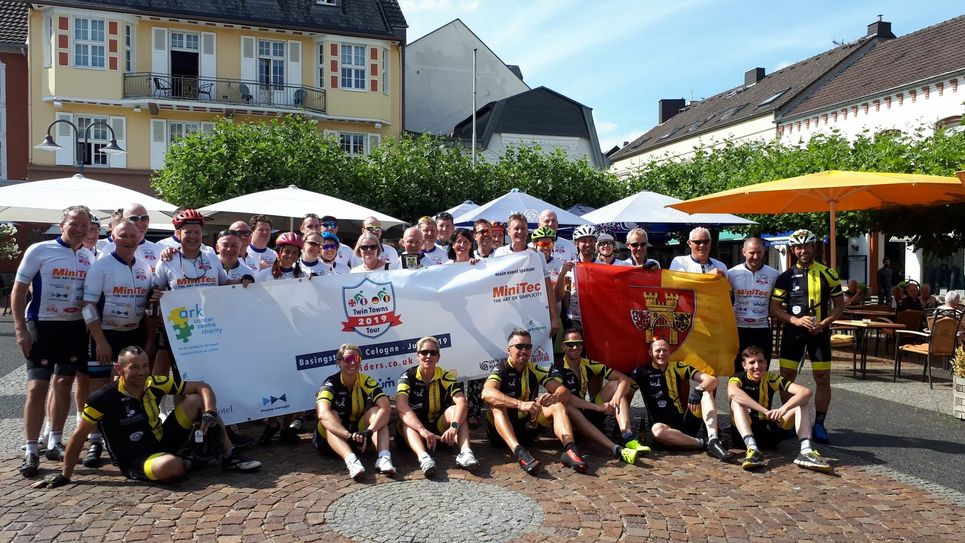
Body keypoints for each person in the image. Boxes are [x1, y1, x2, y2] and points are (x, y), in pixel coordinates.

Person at [32, 346, 260, 488]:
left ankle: (230, 456)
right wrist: (65, 475)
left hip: (163, 441)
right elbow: (79, 435)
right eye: (134, 367)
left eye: (145, 366)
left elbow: (203, 386)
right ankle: (191, 460)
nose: (142, 372)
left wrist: (209, 411)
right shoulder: (103, 397)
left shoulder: (154, 383)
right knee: (172, 467)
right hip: (136, 458)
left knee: (195, 400)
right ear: (120, 370)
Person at [13, 206, 95, 477]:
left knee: (64, 384)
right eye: (75, 223)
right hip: (42, 325)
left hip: (73, 328)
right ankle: (30, 449)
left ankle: (54, 441)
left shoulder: (88, 256)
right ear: (62, 224)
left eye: (85, 225)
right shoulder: (39, 250)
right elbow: (19, 289)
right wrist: (20, 328)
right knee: (37, 388)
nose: (80, 229)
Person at [77, 220, 155, 468]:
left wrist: (150, 338)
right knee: (99, 390)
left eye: (134, 235)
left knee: (132, 385)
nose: (129, 240)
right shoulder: (102, 266)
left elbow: (147, 306)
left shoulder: (144, 266)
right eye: (123, 235)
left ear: (140, 237)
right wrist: (100, 340)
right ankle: (94, 440)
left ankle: (129, 433)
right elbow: (87, 306)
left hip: (132, 334)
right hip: (104, 333)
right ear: (113, 236)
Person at [769, 229, 843, 444]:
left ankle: (819, 423)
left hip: (819, 334)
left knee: (822, 378)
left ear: (814, 247)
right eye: (798, 247)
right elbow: (775, 308)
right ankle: (790, 420)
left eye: (807, 246)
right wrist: (795, 320)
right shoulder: (786, 276)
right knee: (786, 377)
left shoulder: (829, 274)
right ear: (793, 250)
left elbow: (839, 306)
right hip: (793, 333)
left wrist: (824, 323)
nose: (803, 250)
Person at [481, 328, 588, 475]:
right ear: (509, 350)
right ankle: (520, 453)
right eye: (519, 346)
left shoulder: (534, 369)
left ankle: (570, 450)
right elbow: (486, 393)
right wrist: (520, 404)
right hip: (500, 435)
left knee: (558, 405)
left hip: (526, 428)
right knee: (496, 405)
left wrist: (554, 397)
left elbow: (564, 391)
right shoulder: (502, 368)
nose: (524, 350)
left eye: (528, 347)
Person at [728, 345, 832, 473]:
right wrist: (764, 411)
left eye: (760, 361)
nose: (757, 366)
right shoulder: (738, 378)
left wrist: (783, 409)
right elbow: (733, 392)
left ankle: (806, 451)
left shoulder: (771, 378)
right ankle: (752, 450)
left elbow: (805, 392)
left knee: (802, 402)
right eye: (752, 363)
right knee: (736, 402)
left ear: (766, 363)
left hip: (769, 432)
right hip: (742, 436)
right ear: (744, 365)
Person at [628, 338, 732, 462]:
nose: (661, 354)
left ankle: (713, 439)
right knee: (657, 430)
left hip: (684, 421)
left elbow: (713, 380)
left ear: (670, 352)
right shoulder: (640, 372)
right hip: (664, 429)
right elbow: (626, 395)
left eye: (665, 350)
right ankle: (704, 443)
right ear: (650, 352)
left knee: (707, 393)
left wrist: (699, 389)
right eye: (658, 350)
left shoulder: (678, 366)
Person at [153, 209, 227, 378]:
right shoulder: (166, 260)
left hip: (208, 325)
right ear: (178, 233)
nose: (193, 236)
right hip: (179, 327)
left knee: (204, 371)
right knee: (177, 374)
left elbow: (225, 285)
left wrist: (245, 281)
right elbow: (156, 290)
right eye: (188, 232)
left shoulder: (211, 257)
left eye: (197, 232)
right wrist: (156, 296)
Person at [554, 329, 643, 464]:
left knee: (615, 386)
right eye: (570, 344)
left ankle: (627, 435)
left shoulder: (588, 363)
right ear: (563, 346)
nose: (575, 347)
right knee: (568, 406)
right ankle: (615, 449)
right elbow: (565, 398)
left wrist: (615, 399)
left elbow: (624, 379)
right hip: (570, 421)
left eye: (578, 343)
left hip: (587, 412)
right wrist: (597, 407)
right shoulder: (557, 368)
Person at [396, 336, 479, 477]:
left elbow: (461, 402)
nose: (428, 356)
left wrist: (454, 426)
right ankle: (424, 458)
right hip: (417, 432)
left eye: (433, 353)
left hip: (439, 430)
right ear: (417, 356)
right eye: (424, 352)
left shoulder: (445, 376)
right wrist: (422, 430)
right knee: (405, 420)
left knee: (458, 411)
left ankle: (465, 453)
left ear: (438, 357)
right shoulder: (407, 376)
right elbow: (401, 405)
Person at [313, 344, 395, 480]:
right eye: (348, 359)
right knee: (331, 415)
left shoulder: (366, 381)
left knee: (377, 411)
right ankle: (351, 461)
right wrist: (348, 436)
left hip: (359, 437)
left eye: (357, 358)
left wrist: (369, 431)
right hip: (330, 442)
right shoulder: (330, 383)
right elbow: (322, 413)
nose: (353, 362)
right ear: (339, 362)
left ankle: (384, 458)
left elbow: (386, 407)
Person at [493, 213, 561, 338]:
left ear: (528, 230)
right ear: (508, 232)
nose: (520, 232)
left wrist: (554, 317)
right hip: (508, 313)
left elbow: (547, 287)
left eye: (523, 228)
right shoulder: (500, 253)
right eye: (516, 228)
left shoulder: (537, 255)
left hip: (535, 314)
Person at [727, 237, 780, 371]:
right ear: (743, 252)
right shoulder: (732, 273)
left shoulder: (774, 275)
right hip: (737, 328)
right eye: (751, 253)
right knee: (737, 370)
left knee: (761, 369)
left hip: (762, 328)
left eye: (759, 252)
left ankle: (761, 393)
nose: (755, 257)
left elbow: (778, 302)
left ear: (764, 251)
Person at [560, 225, 600, 329]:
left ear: (595, 242)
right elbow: (565, 295)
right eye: (584, 241)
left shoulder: (602, 266)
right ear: (576, 243)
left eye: (591, 240)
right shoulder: (569, 267)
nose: (588, 244)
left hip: (597, 319)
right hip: (574, 319)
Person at [102, 203, 162, 272]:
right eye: (134, 218)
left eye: (144, 218)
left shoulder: (157, 249)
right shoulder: (110, 249)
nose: (140, 222)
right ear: (123, 221)